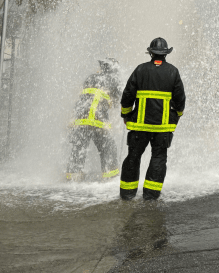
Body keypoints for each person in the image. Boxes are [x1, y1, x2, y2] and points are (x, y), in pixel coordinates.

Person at [119, 37, 186, 201]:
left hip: (138, 127)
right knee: (158, 159)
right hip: (162, 128)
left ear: (150, 52)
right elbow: (180, 100)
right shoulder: (173, 71)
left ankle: (127, 194)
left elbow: (127, 95)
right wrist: (176, 116)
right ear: (165, 54)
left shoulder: (140, 70)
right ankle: (150, 196)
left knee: (133, 157)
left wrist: (126, 115)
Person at [65, 58, 122, 182]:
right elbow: (120, 102)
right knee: (108, 149)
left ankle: (72, 180)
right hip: (98, 120)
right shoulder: (114, 79)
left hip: (80, 119)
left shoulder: (90, 78)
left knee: (78, 150)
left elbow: (82, 97)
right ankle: (110, 179)